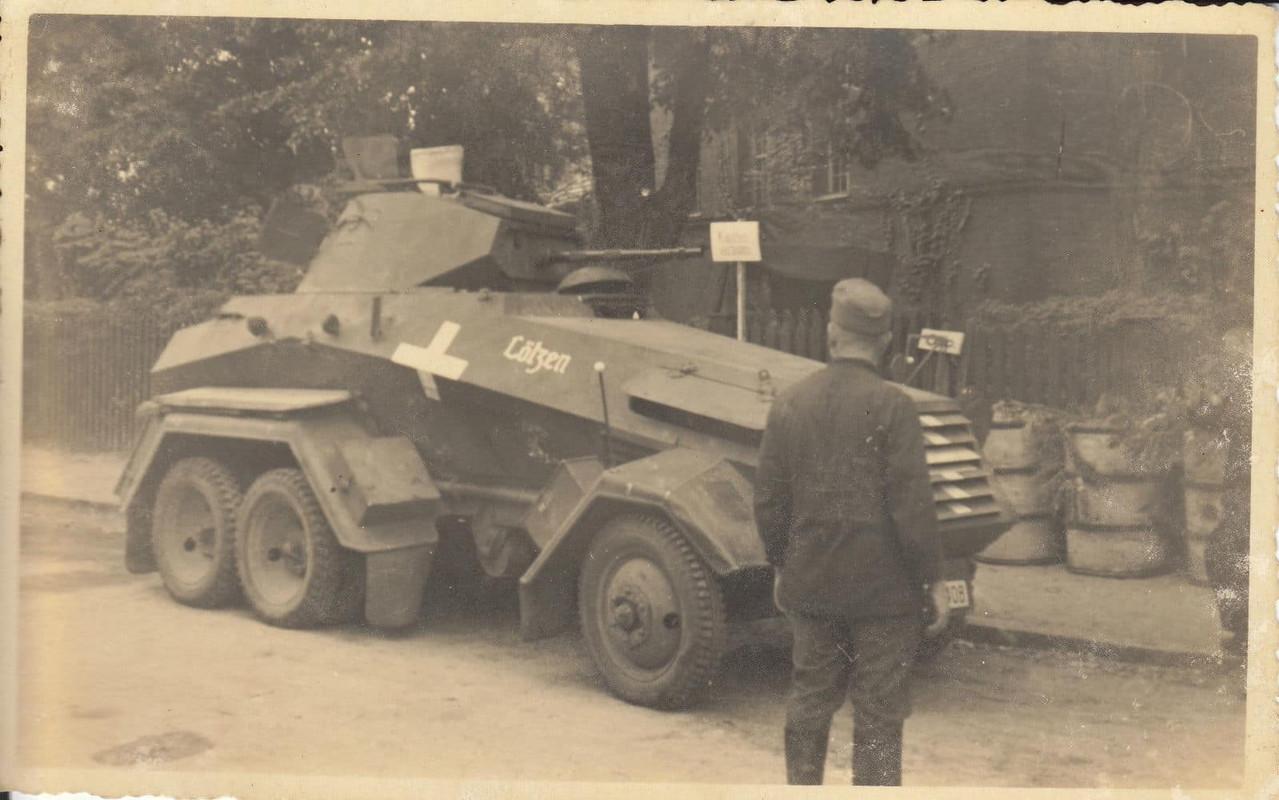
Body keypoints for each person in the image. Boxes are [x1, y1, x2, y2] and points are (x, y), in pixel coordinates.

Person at [754, 278, 950, 786]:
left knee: (809, 702)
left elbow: (769, 501)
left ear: (831, 334)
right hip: (885, 594)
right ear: (884, 343)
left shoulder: (789, 403)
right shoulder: (894, 407)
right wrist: (934, 579)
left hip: (813, 584)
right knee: (880, 716)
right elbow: (912, 506)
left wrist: (781, 564)